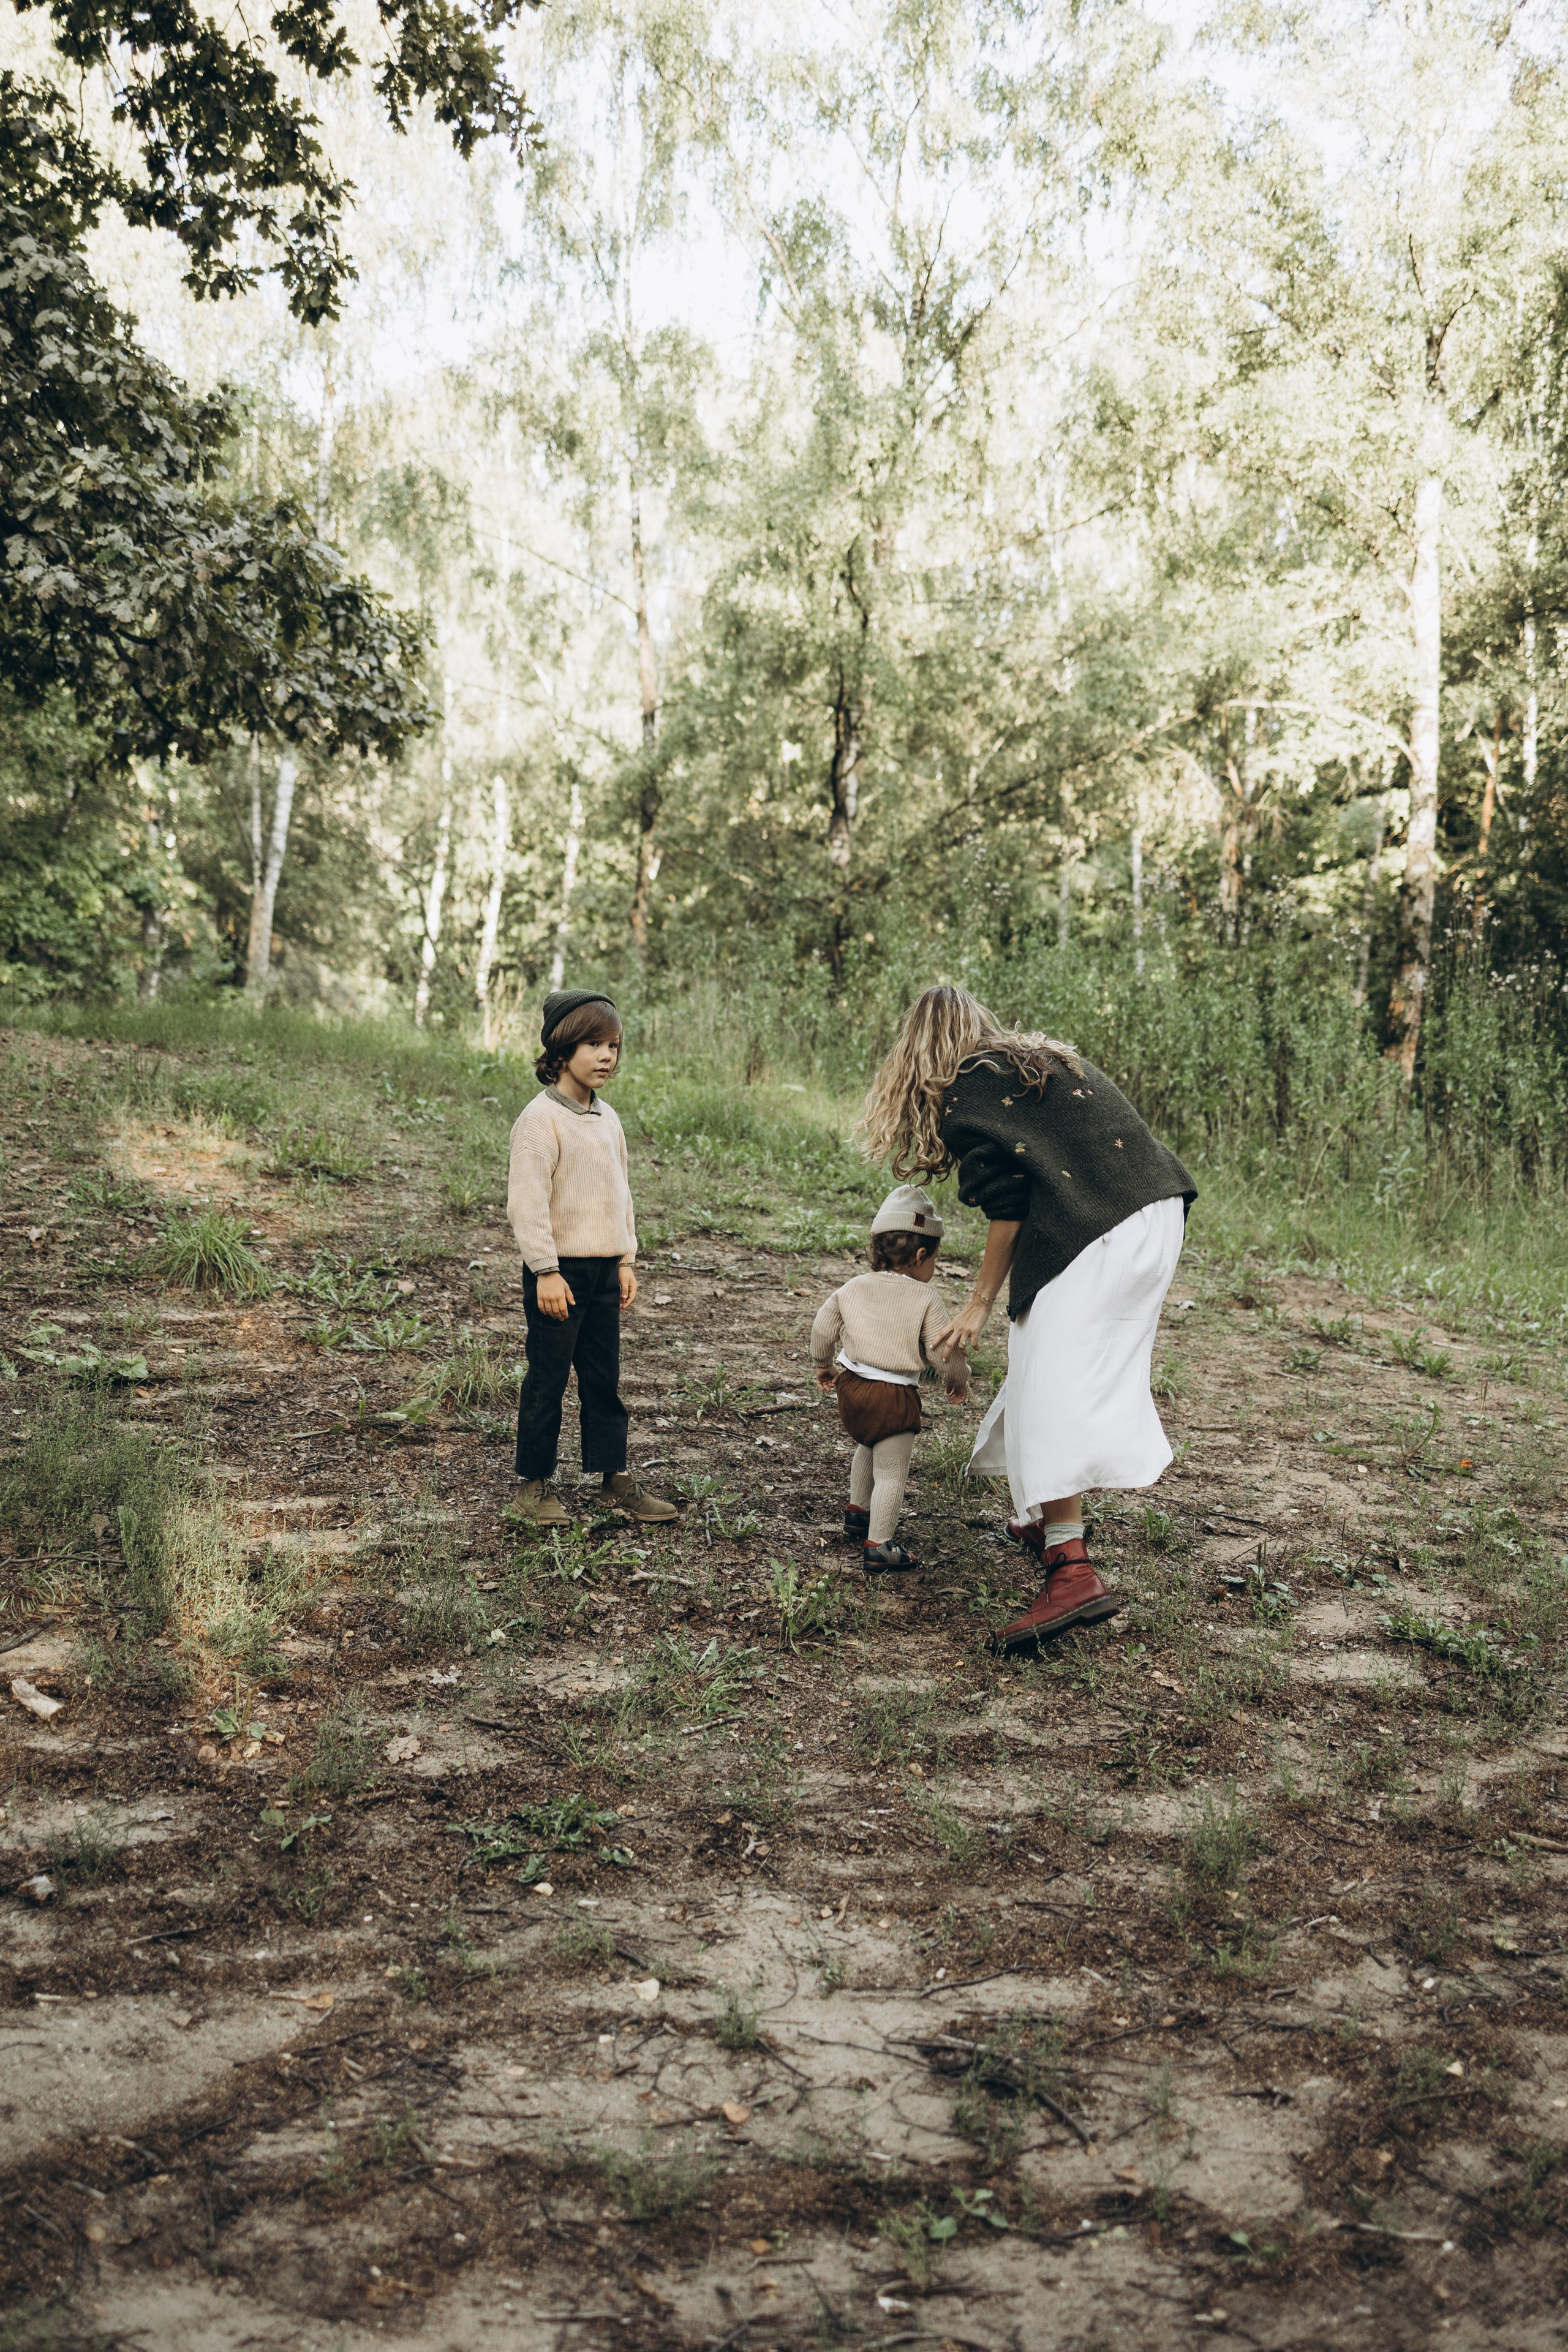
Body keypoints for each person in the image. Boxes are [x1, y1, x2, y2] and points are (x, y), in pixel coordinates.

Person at [858, 984, 1195, 1652]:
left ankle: (1070, 1570)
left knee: (1052, 1384)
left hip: (1102, 1229)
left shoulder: (966, 1087)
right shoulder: (1035, 1060)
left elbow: (1008, 1200)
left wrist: (979, 1302)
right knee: (1049, 1364)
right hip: (1155, 1215)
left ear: (917, 1051)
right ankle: (1046, 1518)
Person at [507, 989, 676, 1527]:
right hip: (559, 1274)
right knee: (548, 1379)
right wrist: (546, 1271)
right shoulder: (539, 1121)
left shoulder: (609, 1120)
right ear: (561, 1050)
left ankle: (614, 1479)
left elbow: (620, 1195)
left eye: (613, 1046)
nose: (607, 1056)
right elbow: (527, 1204)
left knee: (604, 1378)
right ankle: (532, 1485)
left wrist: (626, 1259)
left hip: (604, 1270)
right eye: (593, 1044)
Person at [810, 1185, 970, 1571]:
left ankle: (857, 1511)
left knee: (868, 1442)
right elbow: (943, 1350)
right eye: (934, 1257)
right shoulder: (925, 1298)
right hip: (893, 1395)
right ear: (919, 1255)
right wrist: (958, 1379)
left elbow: (822, 1326)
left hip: (851, 1390)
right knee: (892, 1472)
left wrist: (823, 1365)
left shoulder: (853, 1287)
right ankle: (879, 1545)